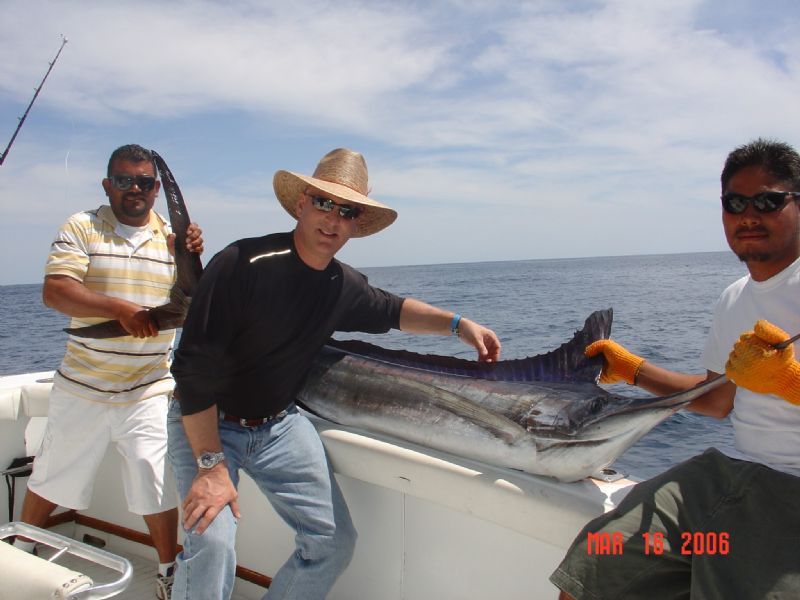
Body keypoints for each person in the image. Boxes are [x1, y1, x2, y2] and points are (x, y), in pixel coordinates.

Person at [168, 147, 502, 600]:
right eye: (324, 203)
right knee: (211, 541)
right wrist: (210, 466)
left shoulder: (341, 285)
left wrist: (458, 324)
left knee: (333, 544)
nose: (332, 219)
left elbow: (393, 310)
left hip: (277, 426)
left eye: (347, 211)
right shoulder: (242, 264)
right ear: (302, 203)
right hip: (206, 422)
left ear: (355, 225)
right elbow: (191, 372)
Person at [550, 138, 800, 599]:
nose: (749, 215)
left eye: (768, 200)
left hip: (790, 498)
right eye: (735, 202)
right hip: (728, 478)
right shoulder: (735, 298)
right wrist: (633, 369)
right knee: (594, 561)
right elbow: (716, 399)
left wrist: (789, 383)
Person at [17, 144, 204, 600]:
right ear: (108, 185)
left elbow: (192, 300)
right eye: (124, 181)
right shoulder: (82, 226)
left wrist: (194, 253)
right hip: (83, 384)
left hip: (149, 387)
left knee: (154, 481)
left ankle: (166, 573)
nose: (134, 189)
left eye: (143, 182)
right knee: (50, 478)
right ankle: (18, 561)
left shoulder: (174, 238)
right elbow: (56, 292)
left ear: (157, 190)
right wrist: (120, 310)